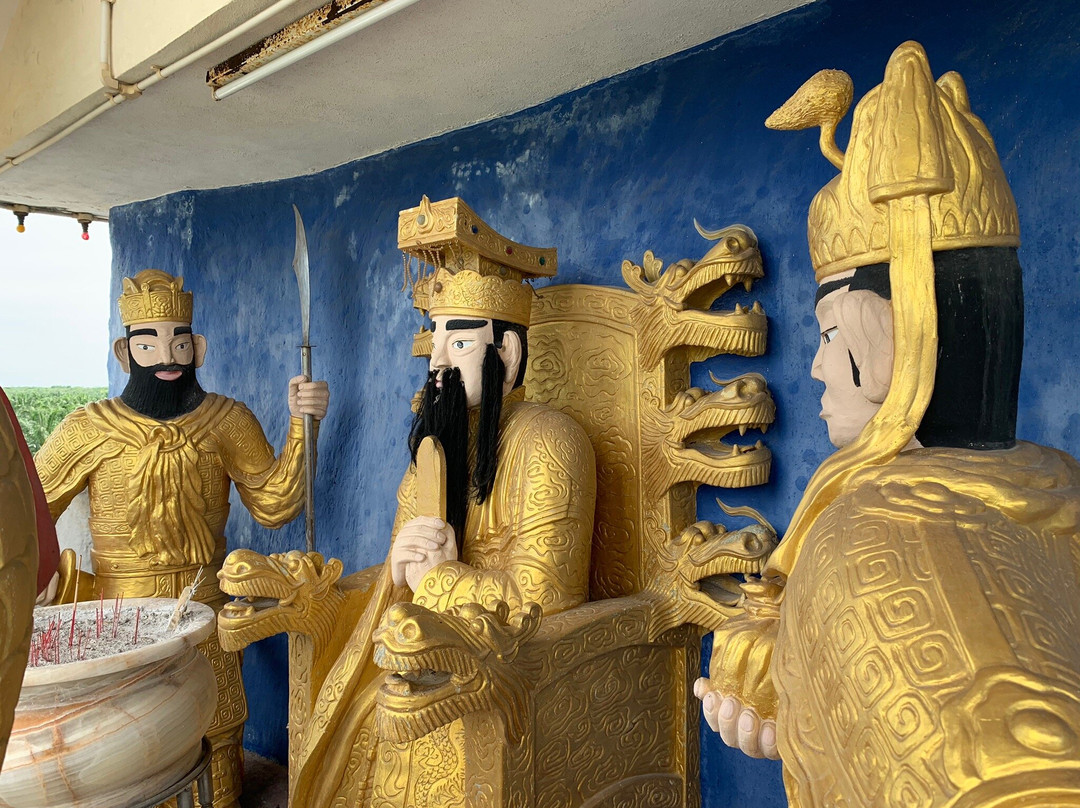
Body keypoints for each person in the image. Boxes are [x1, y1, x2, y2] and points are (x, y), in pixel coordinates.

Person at [697, 42, 1080, 806]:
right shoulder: (1056, 482)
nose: (815, 367)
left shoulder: (869, 538)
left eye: (832, 334)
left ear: (894, 339)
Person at [289, 198, 596, 807]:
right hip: (424, 647)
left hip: (509, 667)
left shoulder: (552, 443)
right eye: (433, 343)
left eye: (457, 344)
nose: (434, 362)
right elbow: (403, 580)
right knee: (364, 718)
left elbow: (548, 602)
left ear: (507, 356)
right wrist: (400, 571)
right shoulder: (435, 449)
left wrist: (446, 578)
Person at [34, 269, 329, 808]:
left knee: (219, 733)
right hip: (122, 610)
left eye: (178, 340)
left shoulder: (226, 420)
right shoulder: (89, 427)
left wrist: (301, 426)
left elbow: (273, 504)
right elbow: (30, 509)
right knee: (134, 740)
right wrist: (34, 577)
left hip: (207, 601)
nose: (166, 355)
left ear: (198, 348)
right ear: (125, 353)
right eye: (148, 343)